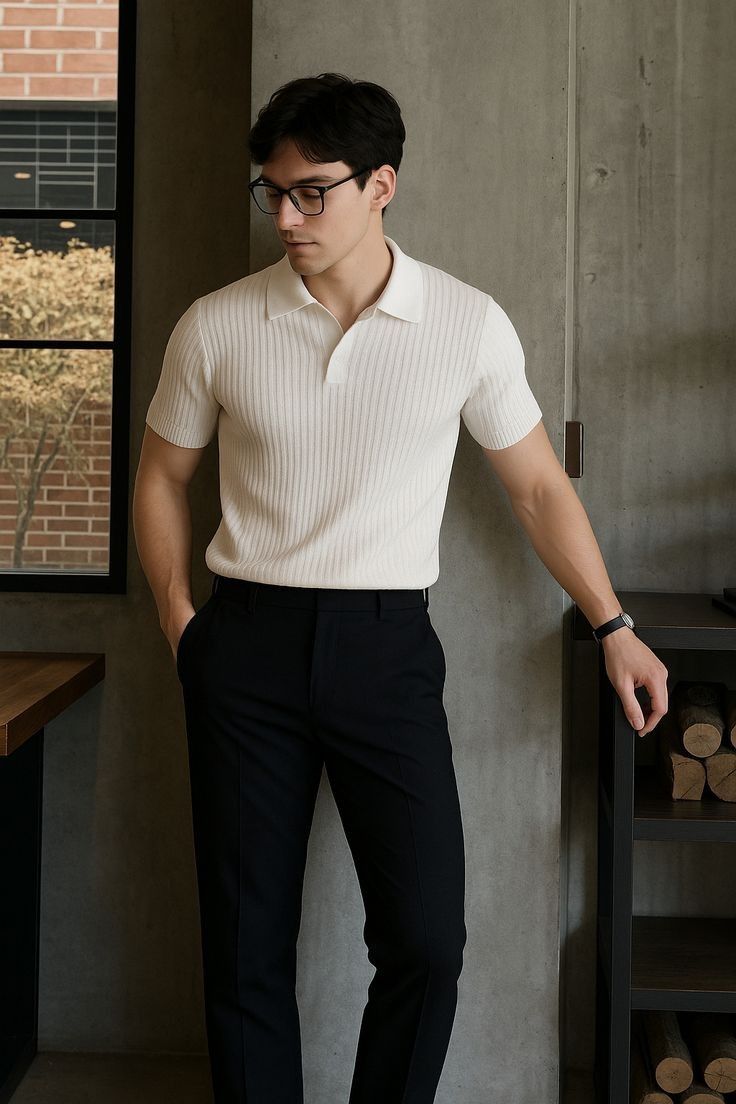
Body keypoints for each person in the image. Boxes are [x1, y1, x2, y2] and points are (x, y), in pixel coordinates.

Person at [133, 72, 668, 1104]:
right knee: (243, 946)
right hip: (243, 647)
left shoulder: (465, 324)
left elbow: (536, 489)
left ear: (381, 184)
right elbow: (161, 476)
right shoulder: (217, 325)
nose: (287, 217)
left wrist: (613, 625)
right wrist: (178, 621)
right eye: (272, 192)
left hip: (386, 650)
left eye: (312, 192)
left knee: (426, 940)